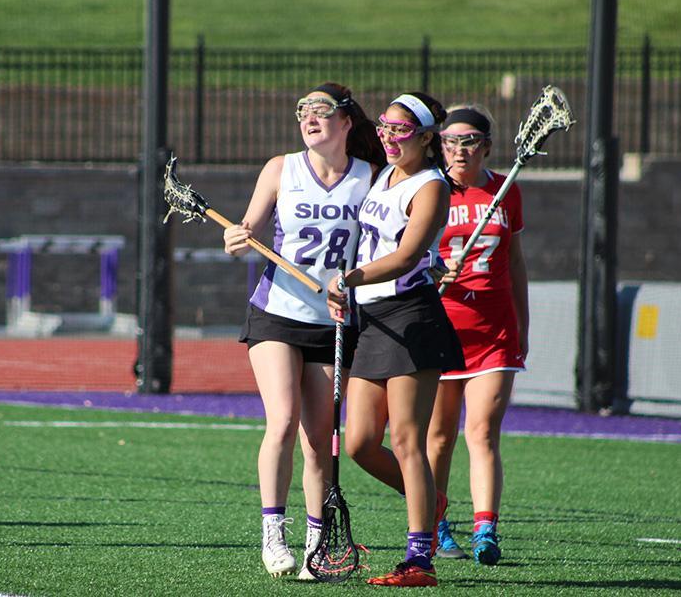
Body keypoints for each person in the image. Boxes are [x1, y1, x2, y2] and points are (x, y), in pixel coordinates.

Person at [222, 82, 385, 579]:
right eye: (303, 111)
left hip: (333, 319)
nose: (309, 118)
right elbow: (246, 228)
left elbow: (383, 246)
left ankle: (317, 545)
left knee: (320, 440)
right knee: (283, 420)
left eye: (321, 110)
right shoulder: (281, 169)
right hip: (276, 312)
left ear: (346, 122)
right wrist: (238, 236)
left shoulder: (372, 178)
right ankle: (274, 533)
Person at [326, 92, 465, 588]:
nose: (388, 136)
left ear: (428, 139)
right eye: (384, 126)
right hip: (373, 318)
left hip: (412, 319)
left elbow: (407, 256)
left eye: (401, 129)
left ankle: (418, 561)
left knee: (408, 440)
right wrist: (347, 291)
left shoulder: (430, 186)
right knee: (362, 442)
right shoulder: (383, 174)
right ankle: (429, 499)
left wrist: (351, 278)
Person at [429, 103, 529, 565]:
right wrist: (434, 269)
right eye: (450, 141)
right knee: (438, 437)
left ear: (487, 146)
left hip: (495, 330)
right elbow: (401, 253)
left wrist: (522, 322)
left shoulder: (506, 191)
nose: (459, 150)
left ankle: (486, 528)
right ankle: (434, 524)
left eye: (469, 141)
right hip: (441, 325)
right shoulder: (430, 192)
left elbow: (514, 260)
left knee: (482, 431)